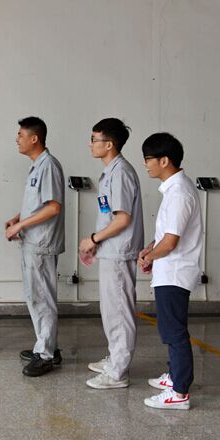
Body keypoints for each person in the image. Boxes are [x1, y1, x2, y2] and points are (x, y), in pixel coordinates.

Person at [79, 118, 144, 389]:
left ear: (109, 144)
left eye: (94, 139)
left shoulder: (121, 173)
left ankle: (118, 372)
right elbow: (111, 216)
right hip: (110, 250)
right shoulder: (111, 172)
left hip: (119, 252)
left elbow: (122, 219)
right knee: (111, 310)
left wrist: (94, 238)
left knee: (118, 311)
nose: (90, 144)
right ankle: (115, 358)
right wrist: (97, 242)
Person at [138, 133, 202, 410]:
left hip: (175, 273)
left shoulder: (179, 193)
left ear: (164, 160)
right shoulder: (174, 190)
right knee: (170, 328)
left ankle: (179, 392)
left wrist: (149, 256)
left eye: (148, 159)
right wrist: (150, 249)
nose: (145, 164)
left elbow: (171, 241)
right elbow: (165, 234)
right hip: (169, 271)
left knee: (174, 331)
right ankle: (175, 375)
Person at [5, 117, 65, 377]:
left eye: (20, 135)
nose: (17, 139)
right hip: (32, 241)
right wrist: (18, 218)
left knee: (42, 299)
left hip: (41, 243)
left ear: (34, 138)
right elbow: (38, 204)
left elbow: (53, 207)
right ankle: (46, 345)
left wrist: (20, 225)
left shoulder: (48, 165)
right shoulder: (37, 166)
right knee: (36, 296)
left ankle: (46, 354)